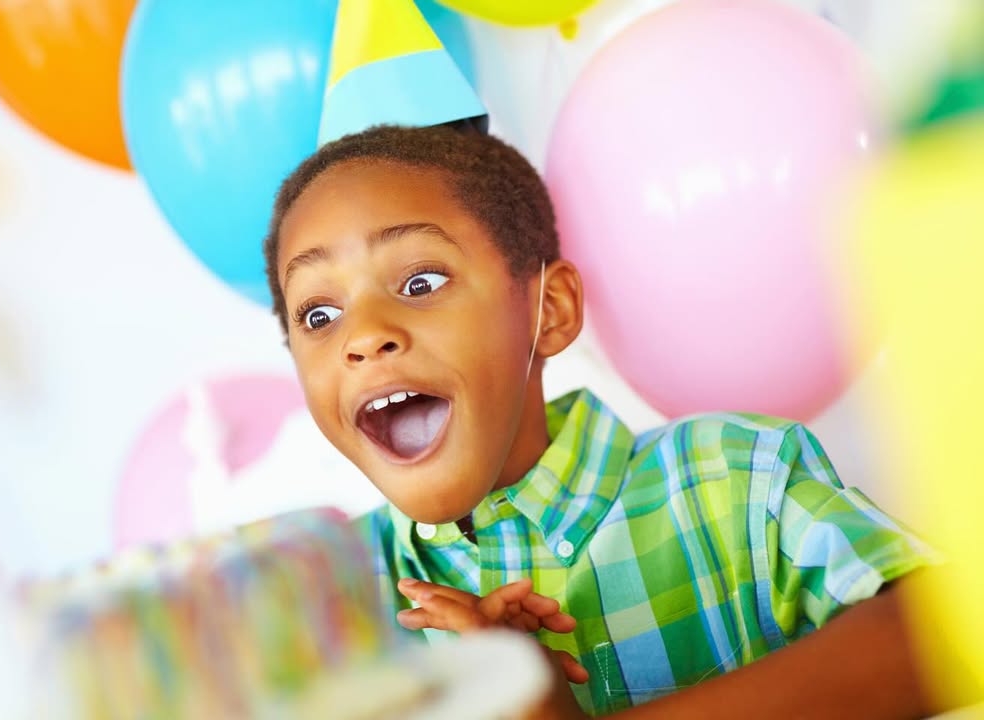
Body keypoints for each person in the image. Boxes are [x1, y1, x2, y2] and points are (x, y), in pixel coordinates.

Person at [262, 124, 942, 718]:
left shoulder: (735, 477)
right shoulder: (315, 605)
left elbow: (940, 628)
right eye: (318, 316)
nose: (364, 335)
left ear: (548, 310)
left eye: (420, 283)